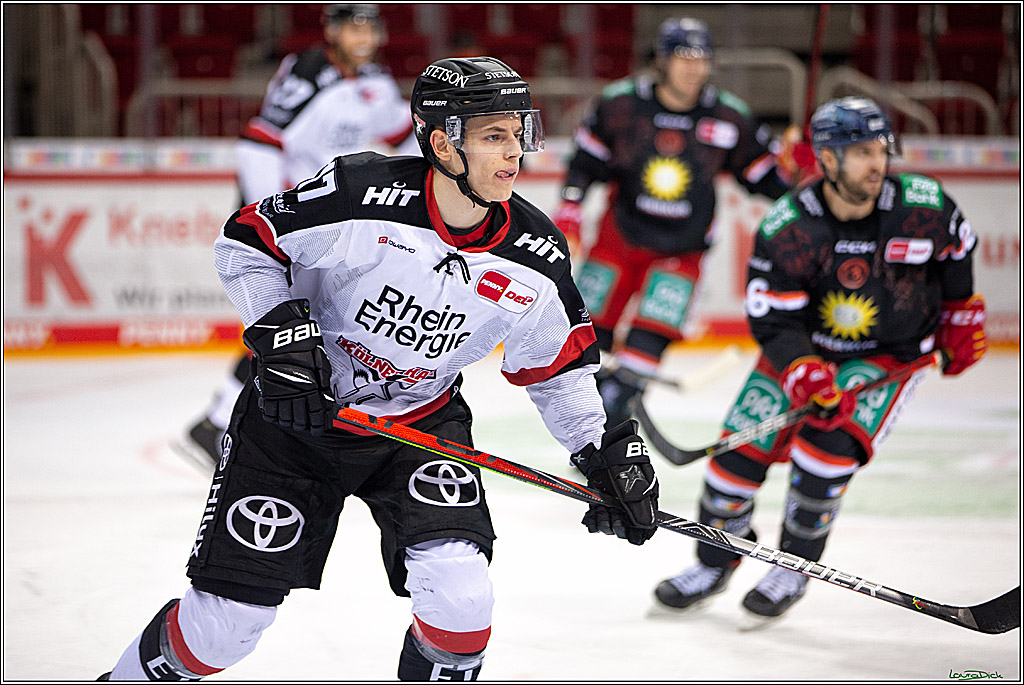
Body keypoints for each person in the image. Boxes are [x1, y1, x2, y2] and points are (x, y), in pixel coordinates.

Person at [99, 56, 659, 681]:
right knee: (223, 629)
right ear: (444, 143)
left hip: (418, 431)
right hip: (296, 424)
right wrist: (284, 344)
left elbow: (558, 370)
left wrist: (602, 454)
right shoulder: (358, 192)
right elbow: (247, 242)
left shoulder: (537, 254)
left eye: (518, 132)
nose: (515, 154)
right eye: (493, 135)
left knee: (463, 601)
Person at [653, 96, 986, 618]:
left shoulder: (923, 205)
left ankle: (794, 566)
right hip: (804, 350)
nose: (876, 163)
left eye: (880, 149)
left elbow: (957, 253)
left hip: (887, 358)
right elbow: (773, 319)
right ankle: (716, 562)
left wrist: (962, 314)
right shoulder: (789, 226)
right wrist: (804, 370)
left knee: (822, 460)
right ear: (827, 160)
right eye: (859, 152)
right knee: (730, 469)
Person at [181, 3, 421, 469]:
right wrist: (272, 220)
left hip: (335, 225)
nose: (364, 34)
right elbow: (260, 140)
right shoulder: (310, 71)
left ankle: (223, 419)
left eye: (371, 26)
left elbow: (402, 137)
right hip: (295, 222)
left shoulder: (374, 79)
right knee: (289, 321)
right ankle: (219, 420)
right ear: (331, 31)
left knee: (313, 321)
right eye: (354, 25)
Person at [551, 17, 802, 430]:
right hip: (620, 238)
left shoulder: (728, 116)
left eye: (702, 58)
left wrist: (797, 173)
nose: (694, 67)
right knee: (589, 338)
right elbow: (584, 162)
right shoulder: (622, 104)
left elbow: (766, 180)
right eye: (685, 57)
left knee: (647, 342)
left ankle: (615, 415)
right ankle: (589, 417)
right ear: (663, 60)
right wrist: (571, 207)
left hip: (683, 249)